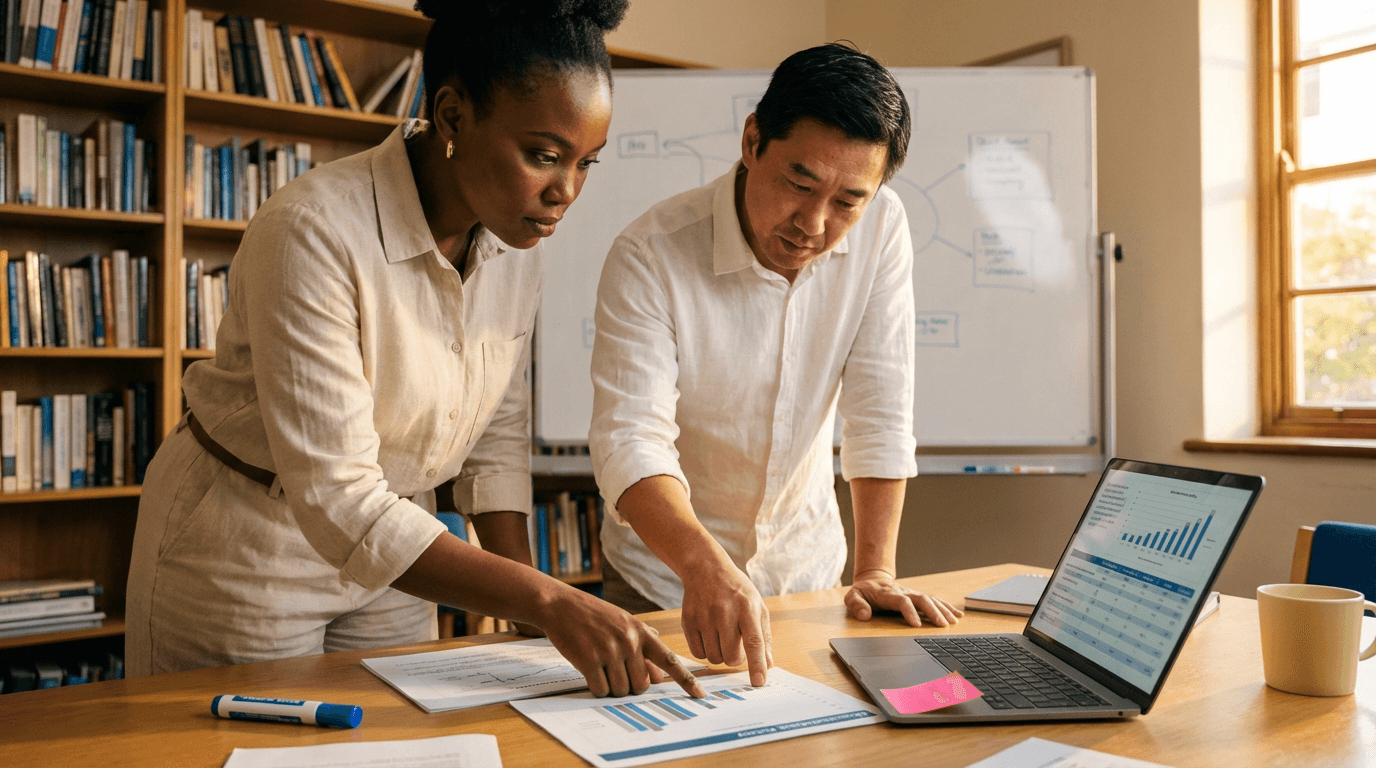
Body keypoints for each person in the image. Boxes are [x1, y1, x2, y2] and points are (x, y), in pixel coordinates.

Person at [125, 0, 702, 700]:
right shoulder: (312, 229)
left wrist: (532, 609)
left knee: (395, 739)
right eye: (543, 156)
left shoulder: (515, 242)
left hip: (397, 549)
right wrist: (548, 602)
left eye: (586, 163)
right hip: (248, 544)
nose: (566, 193)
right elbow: (337, 494)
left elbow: (494, 429)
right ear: (453, 114)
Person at [589, 43, 963, 687]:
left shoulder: (883, 228)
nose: (814, 224)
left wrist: (876, 573)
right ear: (752, 139)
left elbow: (879, 406)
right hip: (663, 574)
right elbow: (631, 441)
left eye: (847, 201)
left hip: (805, 573)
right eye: (799, 184)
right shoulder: (650, 254)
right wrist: (703, 567)